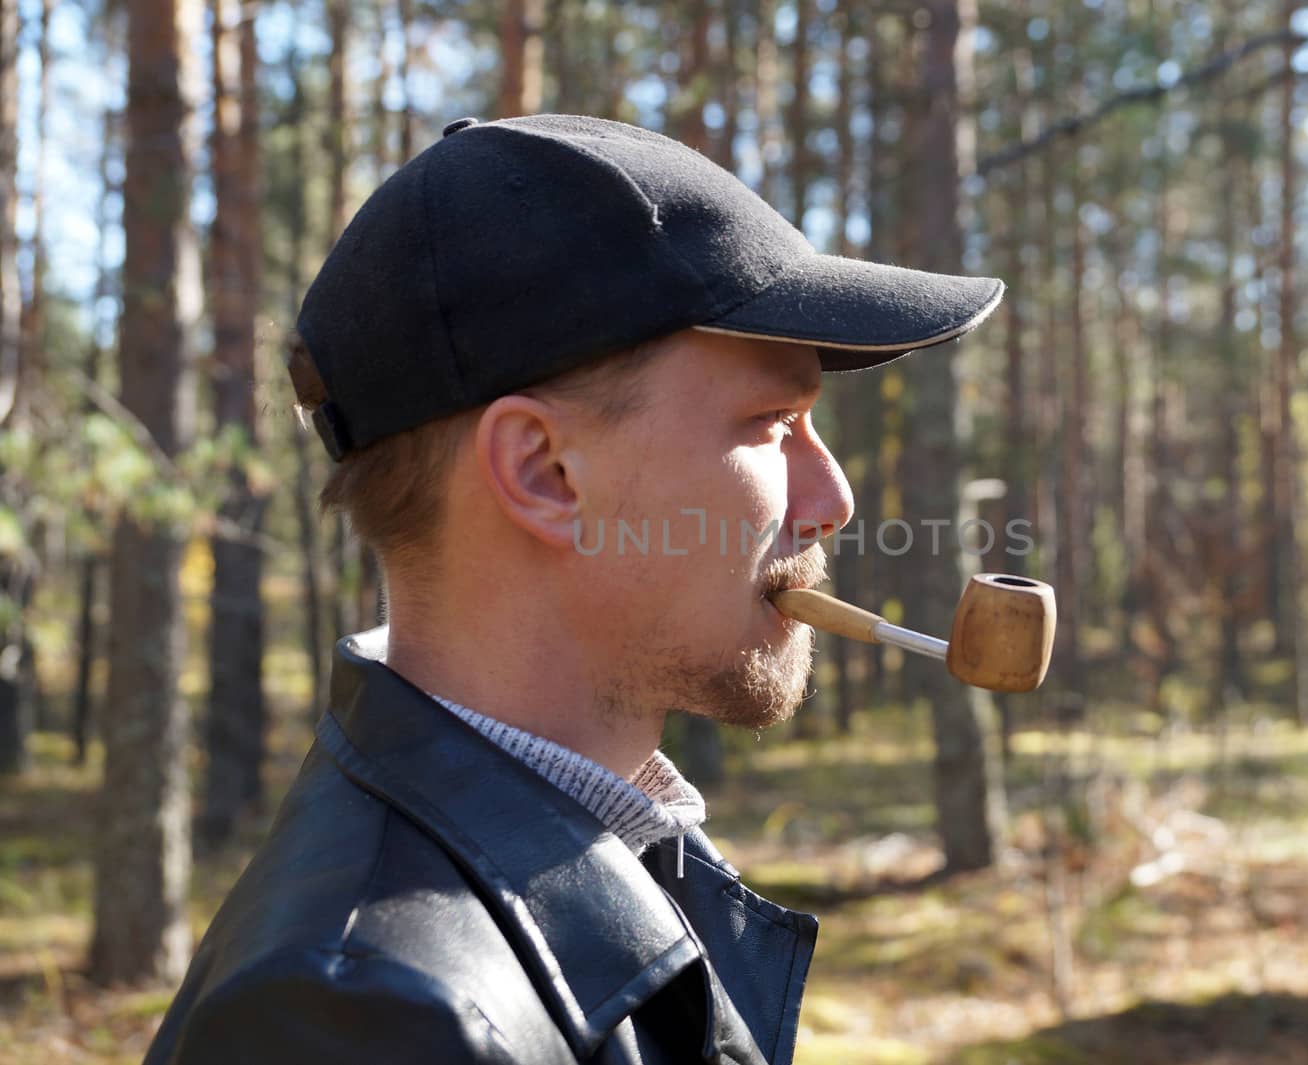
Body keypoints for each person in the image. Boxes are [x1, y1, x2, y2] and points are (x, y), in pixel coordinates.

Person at [145, 114, 1003, 1065]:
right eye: (772, 422)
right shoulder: (363, 1016)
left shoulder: (614, 851)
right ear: (547, 471)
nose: (833, 498)